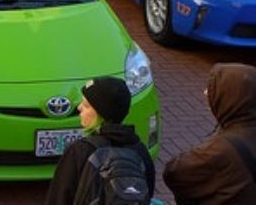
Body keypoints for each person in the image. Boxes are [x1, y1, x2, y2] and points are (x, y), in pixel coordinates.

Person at [45, 77, 155, 205]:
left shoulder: (80, 151)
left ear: (101, 113)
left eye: (86, 106)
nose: (79, 108)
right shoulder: (140, 151)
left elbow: (58, 198)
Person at [163, 63, 256, 205]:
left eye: (213, 89)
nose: (206, 93)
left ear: (230, 98)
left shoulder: (220, 150)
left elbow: (174, 172)